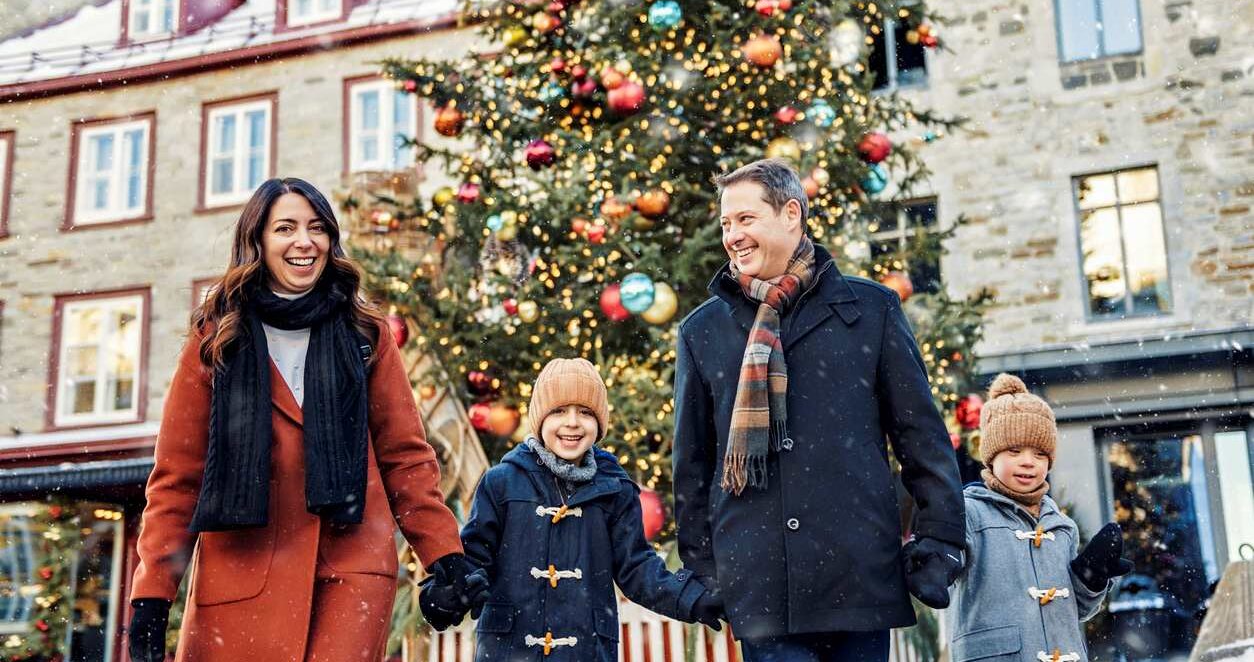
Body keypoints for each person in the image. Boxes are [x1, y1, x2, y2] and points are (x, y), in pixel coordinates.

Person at [127, 178, 485, 662]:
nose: (304, 241)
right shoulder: (216, 340)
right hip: (243, 575)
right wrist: (151, 594)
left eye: (317, 228)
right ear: (258, 241)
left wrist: (444, 557)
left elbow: (405, 458)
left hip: (351, 572)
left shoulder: (366, 335)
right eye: (286, 228)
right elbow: (177, 478)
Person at [672, 158, 965, 661]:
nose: (733, 236)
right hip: (761, 587)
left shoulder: (871, 310)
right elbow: (692, 465)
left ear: (791, 214)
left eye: (746, 219)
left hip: (858, 578)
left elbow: (922, 439)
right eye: (725, 223)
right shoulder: (703, 330)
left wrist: (939, 541)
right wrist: (704, 569)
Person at [449, 358, 725, 660]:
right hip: (510, 648)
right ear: (540, 419)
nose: (572, 422)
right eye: (558, 411)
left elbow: (636, 567)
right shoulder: (501, 483)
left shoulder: (614, 489)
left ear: (599, 423)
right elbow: (474, 555)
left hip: (585, 647)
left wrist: (691, 597)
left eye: (585, 412)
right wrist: (449, 591)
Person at [945, 373, 1131, 662]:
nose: (1028, 462)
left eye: (1040, 454)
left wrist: (1091, 577)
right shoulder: (970, 512)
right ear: (991, 456)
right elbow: (945, 568)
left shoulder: (1062, 527)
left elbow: (1078, 610)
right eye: (1015, 450)